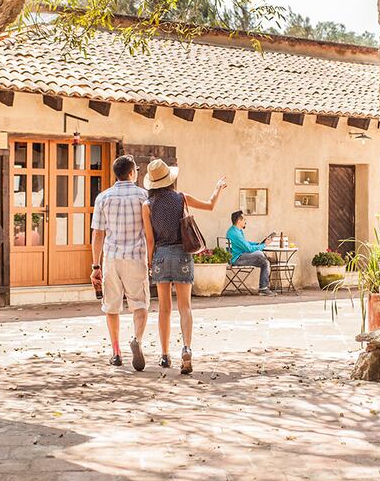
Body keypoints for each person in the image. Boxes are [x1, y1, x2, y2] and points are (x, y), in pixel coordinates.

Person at [141, 159, 226, 374]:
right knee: (185, 307)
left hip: (160, 255)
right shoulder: (181, 198)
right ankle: (186, 348)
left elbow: (149, 241)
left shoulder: (147, 206)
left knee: (164, 309)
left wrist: (150, 262)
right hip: (182, 255)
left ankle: (164, 355)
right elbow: (210, 205)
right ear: (169, 179)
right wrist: (217, 189)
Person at [91, 155, 150, 371]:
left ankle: (116, 352)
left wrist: (95, 266)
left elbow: (98, 234)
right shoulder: (144, 196)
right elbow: (150, 231)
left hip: (111, 258)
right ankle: (137, 339)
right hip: (136, 257)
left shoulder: (103, 197)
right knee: (140, 304)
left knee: (112, 306)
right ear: (132, 172)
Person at [226, 211, 276, 296]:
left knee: (265, 262)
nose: (245, 221)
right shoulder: (235, 233)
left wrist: (258, 244)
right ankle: (265, 256)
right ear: (239, 221)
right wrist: (264, 245)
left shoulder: (236, 230)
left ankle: (263, 288)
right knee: (260, 254)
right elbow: (249, 249)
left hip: (241, 256)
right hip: (237, 259)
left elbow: (246, 243)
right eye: (244, 219)